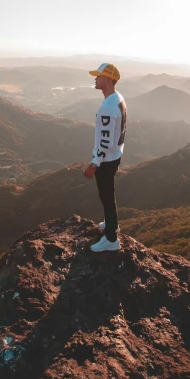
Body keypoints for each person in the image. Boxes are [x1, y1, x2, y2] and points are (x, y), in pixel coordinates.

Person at [84, 62, 127, 252]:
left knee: (106, 196)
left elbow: (105, 140)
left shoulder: (108, 107)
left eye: (98, 76)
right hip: (115, 155)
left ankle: (111, 239)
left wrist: (94, 164)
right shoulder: (118, 98)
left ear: (108, 79)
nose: (95, 78)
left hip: (106, 160)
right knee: (109, 194)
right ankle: (113, 225)